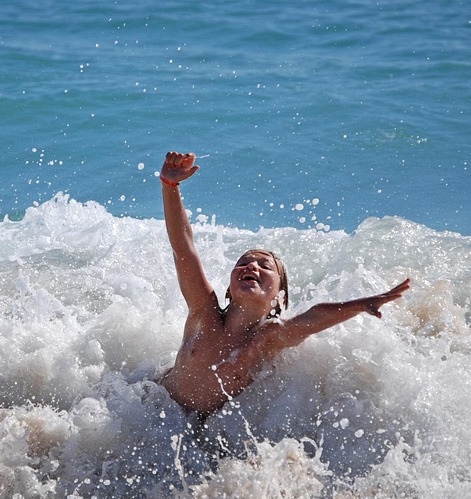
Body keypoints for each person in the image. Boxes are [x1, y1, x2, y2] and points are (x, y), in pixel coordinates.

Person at [156, 151, 410, 427]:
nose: (252, 267)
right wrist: (170, 187)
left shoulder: (265, 339)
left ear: (280, 297)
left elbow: (311, 319)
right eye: (244, 263)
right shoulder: (204, 312)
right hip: (157, 406)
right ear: (229, 289)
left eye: (265, 266)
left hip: (201, 428)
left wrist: (361, 305)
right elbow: (184, 246)